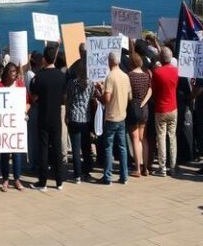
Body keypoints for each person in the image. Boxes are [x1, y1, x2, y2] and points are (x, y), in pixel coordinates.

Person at [29, 43, 67, 191]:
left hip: (43, 115)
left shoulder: (39, 77)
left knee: (43, 148)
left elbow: (33, 97)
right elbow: (64, 95)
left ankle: (43, 182)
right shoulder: (61, 76)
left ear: (44, 59)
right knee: (57, 147)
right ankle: (59, 181)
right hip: (56, 116)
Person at [95, 50, 132, 185]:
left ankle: (108, 176)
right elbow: (129, 96)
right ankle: (124, 176)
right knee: (122, 147)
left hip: (111, 117)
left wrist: (99, 94)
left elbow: (107, 99)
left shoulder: (110, 77)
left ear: (110, 62)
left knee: (108, 147)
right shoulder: (125, 76)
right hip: (122, 115)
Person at [65, 48, 95, 183]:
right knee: (86, 146)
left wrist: (66, 114)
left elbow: (68, 100)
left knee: (76, 148)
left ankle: (77, 175)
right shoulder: (90, 84)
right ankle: (87, 171)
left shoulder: (72, 84)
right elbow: (93, 98)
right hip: (86, 118)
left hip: (74, 117)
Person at [0, 62, 27, 191]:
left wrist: (25, 111)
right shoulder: (0, 86)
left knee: (16, 153)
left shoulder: (20, 85)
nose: (13, 73)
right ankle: (5, 179)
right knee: (4, 153)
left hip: (17, 123)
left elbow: (27, 102)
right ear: (6, 73)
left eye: (15, 71)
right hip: (4, 124)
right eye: (11, 71)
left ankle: (17, 179)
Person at [152, 47, 178, 177]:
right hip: (173, 107)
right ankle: (172, 166)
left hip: (161, 108)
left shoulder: (157, 72)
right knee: (172, 137)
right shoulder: (176, 71)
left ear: (161, 57)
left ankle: (162, 167)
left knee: (161, 137)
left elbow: (154, 89)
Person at [126, 52, 152, 178]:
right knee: (144, 138)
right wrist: (144, 102)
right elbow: (150, 90)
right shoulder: (147, 75)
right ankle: (146, 167)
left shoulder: (129, 75)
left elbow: (129, 94)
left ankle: (137, 168)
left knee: (135, 139)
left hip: (133, 108)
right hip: (144, 109)